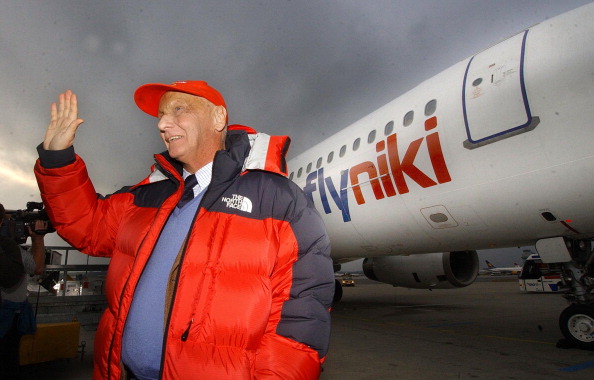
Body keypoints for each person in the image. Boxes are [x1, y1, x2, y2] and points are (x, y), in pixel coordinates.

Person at [34, 81, 334, 380]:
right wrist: (57, 158)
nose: (163, 124)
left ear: (218, 118)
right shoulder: (148, 194)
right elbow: (87, 227)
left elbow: (301, 318)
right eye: (161, 116)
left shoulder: (279, 199)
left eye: (178, 110)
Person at [0, 204, 47, 380]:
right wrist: (38, 239)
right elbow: (37, 267)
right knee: (8, 362)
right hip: (7, 317)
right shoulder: (11, 251)